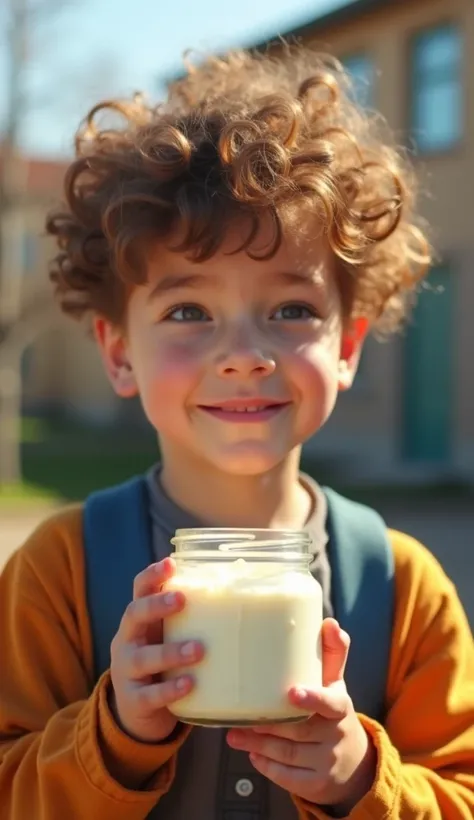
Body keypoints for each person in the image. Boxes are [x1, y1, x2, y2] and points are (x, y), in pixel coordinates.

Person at [0, 46, 473, 820]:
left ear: (348, 346)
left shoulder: (402, 587)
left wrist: (361, 777)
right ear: (119, 352)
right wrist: (111, 735)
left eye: (291, 310)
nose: (245, 357)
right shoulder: (60, 574)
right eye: (189, 312)